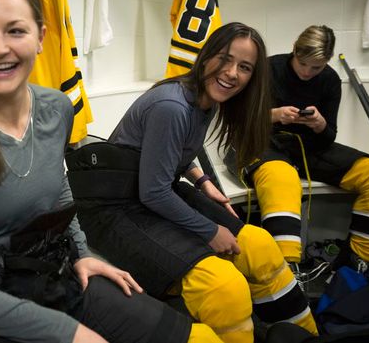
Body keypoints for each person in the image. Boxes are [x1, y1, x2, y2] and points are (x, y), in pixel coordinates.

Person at [0, 0, 222, 343]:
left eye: (16, 31)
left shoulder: (55, 108)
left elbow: (58, 188)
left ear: (41, 37)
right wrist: (68, 333)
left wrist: (80, 253)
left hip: (45, 273)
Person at [68, 23, 319, 343]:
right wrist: (210, 231)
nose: (231, 73)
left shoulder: (206, 99)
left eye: (244, 67)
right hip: (113, 207)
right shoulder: (171, 106)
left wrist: (202, 182)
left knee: (259, 246)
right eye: (224, 59)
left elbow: (175, 156)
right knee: (224, 287)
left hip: (151, 188)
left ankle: (306, 335)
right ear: (206, 56)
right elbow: (153, 191)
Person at [230, 25, 369, 272]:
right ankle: (286, 270)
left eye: (317, 67)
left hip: (310, 147)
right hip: (263, 141)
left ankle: (357, 266)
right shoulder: (268, 69)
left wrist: (320, 124)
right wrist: (274, 115)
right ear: (295, 50)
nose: (307, 72)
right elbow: (238, 117)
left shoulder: (330, 80)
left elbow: (329, 136)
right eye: (303, 64)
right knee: (283, 179)